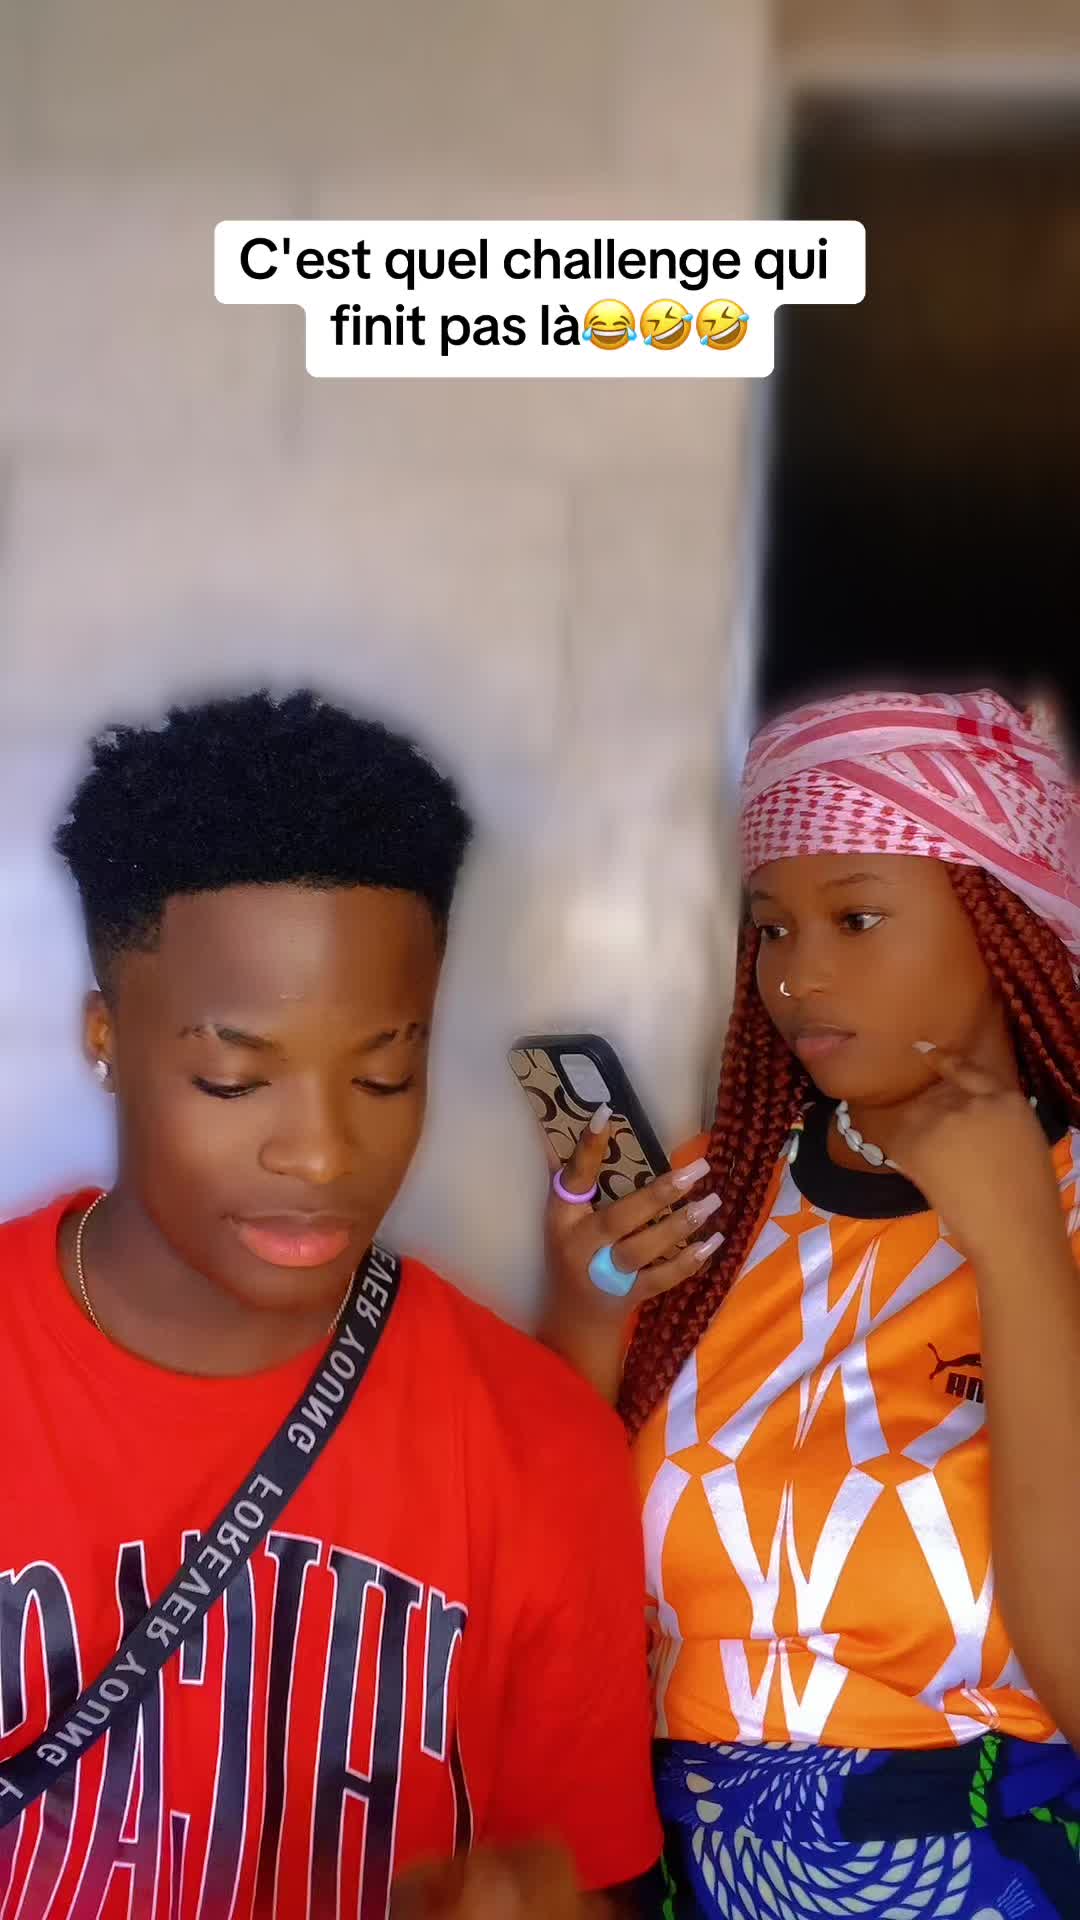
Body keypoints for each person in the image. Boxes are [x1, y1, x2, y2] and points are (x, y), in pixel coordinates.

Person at [0, 689, 662, 1918]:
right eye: (232, 1079)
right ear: (106, 1036)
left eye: (384, 1075)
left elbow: (596, 1882)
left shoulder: (538, 1447)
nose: (320, 1153)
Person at [541, 687, 1080, 1918]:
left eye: (857, 917)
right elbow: (559, 1578)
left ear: (1007, 920)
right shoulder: (709, 1195)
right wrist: (584, 1314)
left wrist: (1016, 1245)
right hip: (685, 1872)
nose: (798, 975)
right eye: (774, 929)